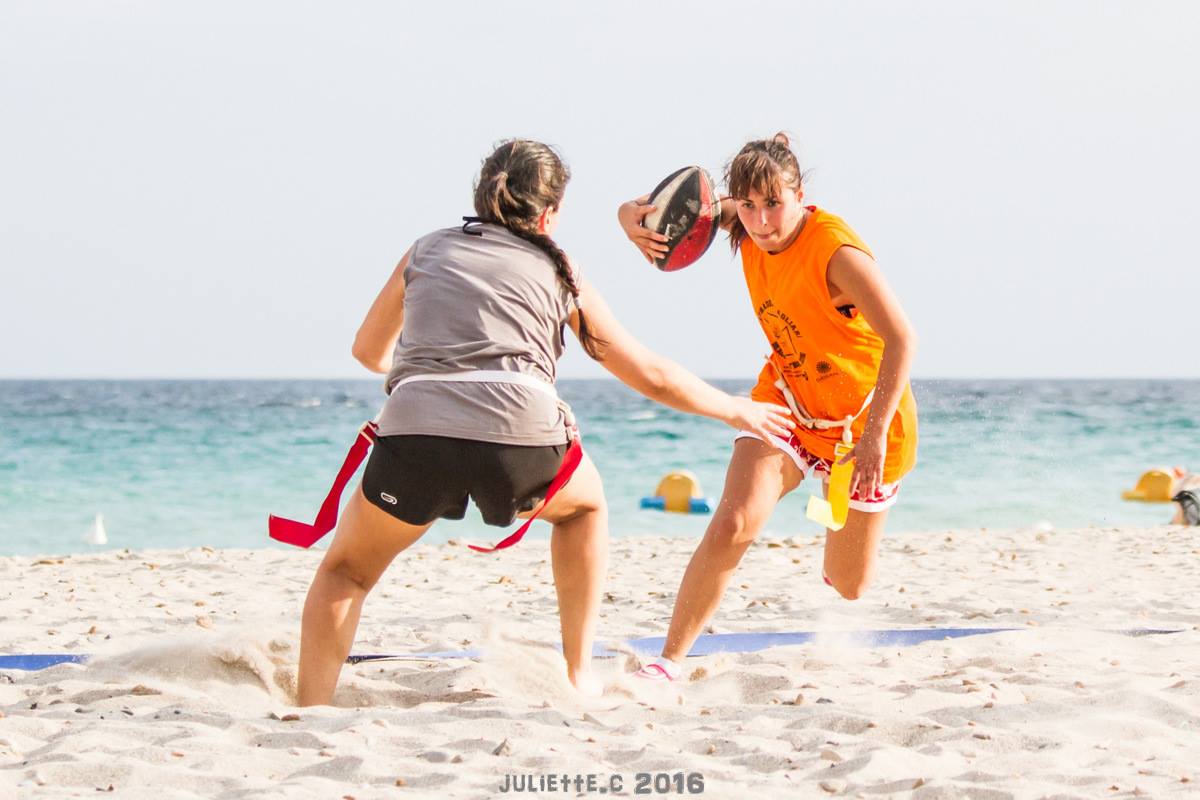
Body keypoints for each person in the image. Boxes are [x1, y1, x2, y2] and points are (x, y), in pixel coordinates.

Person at [297, 139, 795, 705]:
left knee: (347, 572)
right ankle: (578, 676)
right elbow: (651, 376)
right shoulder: (560, 268)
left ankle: (310, 708)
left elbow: (367, 352)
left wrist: (428, 375)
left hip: (416, 436)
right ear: (550, 214)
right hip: (522, 441)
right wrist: (736, 408)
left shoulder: (426, 249)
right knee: (584, 509)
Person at [617, 133, 919, 681]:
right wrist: (626, 218)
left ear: (800, 193)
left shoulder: (836, 253)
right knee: (733, 521)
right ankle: (668, 664)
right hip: (787, 400)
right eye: (749, 205)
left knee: (850, 585)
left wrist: (874, 438)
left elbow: (902, 340)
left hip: (864, 422)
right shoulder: (744, 218)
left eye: (774, 204)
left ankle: (832, 517)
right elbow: (665, 210)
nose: (760, 221)